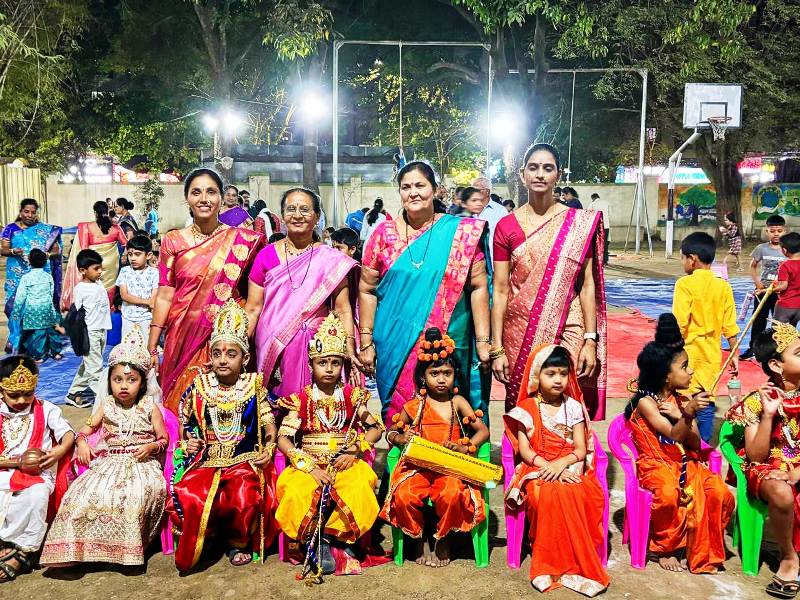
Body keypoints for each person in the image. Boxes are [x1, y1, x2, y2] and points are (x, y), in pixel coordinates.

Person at [358, 160, 492, 425]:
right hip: (394, 342)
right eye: (406, 187)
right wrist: (366, 342)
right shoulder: (382, 234)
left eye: (420, 185)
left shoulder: (461, 233)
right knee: (400, 418)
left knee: (451, 419)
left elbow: (478, 287)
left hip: (450, 341)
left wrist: (483, 341)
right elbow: (366, 289)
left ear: (435, 189)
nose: (413, 193)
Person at [492, 143, 606, 419]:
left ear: (558, 175)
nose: (540, 174)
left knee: (566, 403)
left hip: (570, 325)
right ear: (522, 174)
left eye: (548, 168)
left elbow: (587, 285)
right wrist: (497, 348)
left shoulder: (577, 223)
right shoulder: (506, 226)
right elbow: (501, 289)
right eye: (533, 168)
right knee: (524, 407)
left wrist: (590, 340)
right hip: (519, 329)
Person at [166, 299, 278, 572]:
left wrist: (269, 447)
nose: (223, 360)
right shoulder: (200, 385)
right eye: (217, 353)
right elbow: (186, 423)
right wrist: (189, 440)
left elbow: (267, 423)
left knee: (242, 496)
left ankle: (236, 543)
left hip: (243, 460)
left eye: (231, 354)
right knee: (192, 493)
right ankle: (206, 538)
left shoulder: (253, 385)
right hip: (206, 459)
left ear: (245, 359)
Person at [40, 327, 167, 567]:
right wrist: (81, 443)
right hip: (108, 463)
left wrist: (152, 447)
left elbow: (163, 439)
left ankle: (124, 553)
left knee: (134, 497)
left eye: (131, 380)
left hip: (141, 464)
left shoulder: (150, 407)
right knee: (80, 497)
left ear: (142, 383)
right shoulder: (106, 405)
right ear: (109, 381)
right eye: (118, 380)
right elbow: (84, 431)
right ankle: (79, 551)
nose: (124, 386)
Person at [275, 313, 385, 576]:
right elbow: (283, 438)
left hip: (345, 462)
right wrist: (307, 466)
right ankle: (316, 539)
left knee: (359, 486)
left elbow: (376, 428)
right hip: (310, 463)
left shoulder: (352, 396)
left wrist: (356, 449)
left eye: (335, 363)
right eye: (322, 362)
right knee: (296, 490)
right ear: (311, 364)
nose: (329, 369)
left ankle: (335, 538)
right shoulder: (300, 399)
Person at [148, 168, 263, 414]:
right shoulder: (173, 240)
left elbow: (251, 297)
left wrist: (241, 337)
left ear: (222, 198)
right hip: (181, 334)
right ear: (187, 198)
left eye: (211, 192)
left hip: (223, 336)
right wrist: (152, 343)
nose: (204, 199)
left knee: (224, 407)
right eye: (196, 192)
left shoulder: (242, 240)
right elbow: (166, 294)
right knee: (181, 405)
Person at [626, 314, 734, 573]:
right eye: (684, 367)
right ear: (666, 376)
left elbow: (694, 442)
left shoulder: (680, 400)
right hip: (657, 465)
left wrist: (684, 413)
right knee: (667, 494)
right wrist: (687, 414)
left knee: (720, 492)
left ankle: (698, 544)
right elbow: (674, 436)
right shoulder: (646, 403)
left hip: (685, 463)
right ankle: (666, 547)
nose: (691, 371)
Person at [504, 344, 609, 595]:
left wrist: (561, 466)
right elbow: (525, 451)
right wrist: (550, 467)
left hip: (569, 465)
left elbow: (581, 449)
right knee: (543, 494)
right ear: (536, 375)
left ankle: (573, 562)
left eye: (563, 373)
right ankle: (549, 561)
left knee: (581, 493)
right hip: (537, 467)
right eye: (550, 374)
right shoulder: (527, 408)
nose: (558, 380)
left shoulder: (573, 407)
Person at [382, 327, 489, 567]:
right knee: (404, 495)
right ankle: (418, 538)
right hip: (417, 468)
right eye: (434, 373)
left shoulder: (457, 403)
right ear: (423, 377)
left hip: (449, 468)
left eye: (447, 373)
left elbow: (483, 431)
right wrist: (400, 438)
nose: (441, 379)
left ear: (454, 375)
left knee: (451, 493)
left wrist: (465, 448)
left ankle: (444, 538)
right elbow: (390, 433)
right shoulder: (414, 406)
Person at [245, 187, 359, 400]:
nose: (297, 215)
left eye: (305, 209)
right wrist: (238, 346)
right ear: (283, 215)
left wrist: (349, 349)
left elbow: (343, 309)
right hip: (272, 346)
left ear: (317, 216)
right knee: (276, 410)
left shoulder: (330, 259)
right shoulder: (265, 256)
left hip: (318, 351)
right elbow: (252, 309)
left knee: (317, 409)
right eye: (291, 209)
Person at [726, 322, 800, 597]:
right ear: (777, 365)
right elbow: (756, 456)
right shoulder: (758, 401)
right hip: (767, 465)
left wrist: (796, 473)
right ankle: (789, 558)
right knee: (781, 491)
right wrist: (768, 415)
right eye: (799, 353)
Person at [0, 356, 74, 582]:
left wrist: (60, 451)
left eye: (28, 393)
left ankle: (24, 550)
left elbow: (67, 433)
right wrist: (15, 463)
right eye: (14, 395)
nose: (22, 400)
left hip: (37, 474)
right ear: (1, 390)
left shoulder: (47, 409)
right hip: (3, 470)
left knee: (37, 495)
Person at [672, 232, 739, 441]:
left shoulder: (684, 284)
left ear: (692, 259)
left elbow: (680, 323)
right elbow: (730, 325)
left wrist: (669, 350)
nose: (682, 262)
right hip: (711, 354)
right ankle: (705, 445)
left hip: (688, 353)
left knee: (685, 398)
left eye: (682, 258)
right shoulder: (723, 286)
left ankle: (686, 442)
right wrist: (734, 353)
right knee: (707, 399)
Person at [1, 199, 62, 351]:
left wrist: (46, 255)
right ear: (20, 212)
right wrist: (14, 251)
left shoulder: (46, 230)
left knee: (38, 306)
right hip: (17, 275)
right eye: (26, 212)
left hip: (40, 275)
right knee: (14, 306)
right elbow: (3, 249)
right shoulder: (10, 228)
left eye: (33, 212)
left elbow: (56, 250)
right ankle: (15, 337)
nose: (30, 215)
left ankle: (37, 342)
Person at [61, 200, 128, 311]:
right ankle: (108, 310)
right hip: (111, 266)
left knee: (92, 288)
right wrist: (124, 255)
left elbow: (84, 249)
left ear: (95, 213)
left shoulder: (86, 227)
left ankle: (92, 311)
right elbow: (126, 243)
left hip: (93, 265)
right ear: (107, 211)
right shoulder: (116, 228)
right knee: (109, 289)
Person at [66, 250, 112, 409]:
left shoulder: (98, 283)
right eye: (96, 268)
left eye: (100, 268)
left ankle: (73, 393)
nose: (100, 272)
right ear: (82, 270)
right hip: (90, 332)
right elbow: (76, 313)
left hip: (102, 329)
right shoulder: (80, 289)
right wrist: (79, 336)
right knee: (95, 368)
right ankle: (105, 401)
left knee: (89, 364)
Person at [742, 214, 787, 360]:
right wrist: (757, 282)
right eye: (772, 231)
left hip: (780, 293)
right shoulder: (761, 248)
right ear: (767, 231)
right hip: (763, 291)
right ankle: (753, 349)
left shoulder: (788, 250)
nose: (776, 234)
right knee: (758, 320)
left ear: (785, 231)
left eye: (779, 231)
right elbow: (752, 266)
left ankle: (778, 350)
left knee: (779, 323)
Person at [11, 249, 63, 362]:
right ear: (45, 262)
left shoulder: (26, 278)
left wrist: (16, 311)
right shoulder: (48, 276)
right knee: (51, 330)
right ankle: (56, 352)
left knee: (38, 333)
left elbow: (20, 297)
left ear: (29, 261)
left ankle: (40, 355)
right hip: (47, 308)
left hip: (33, 310)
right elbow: (51, 292)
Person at [116, 235, 159, 338]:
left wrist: (154, 318)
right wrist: (147, 302)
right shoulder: (125, 271)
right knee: (128, 346)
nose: (133, 258)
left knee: (146, 345)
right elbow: (124, 295)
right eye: (130, 254)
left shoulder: (154, 273)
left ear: (148, 255)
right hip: (128, 317)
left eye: (137, 254)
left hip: (147, 318)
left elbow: (154, 300)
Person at [471, 176, 505, 254]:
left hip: (491, 256)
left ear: (487, 192)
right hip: (470, 256)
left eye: (476, 190)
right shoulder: (468, 209)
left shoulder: (500, 211)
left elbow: (505, 237)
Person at [774, 232, 800, 326]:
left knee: (778, 331)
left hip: (786, 306)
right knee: (792, 331)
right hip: (799, 307)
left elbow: (783, 286)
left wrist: (767, 290)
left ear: (784, 250)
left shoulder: (785, 265)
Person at [589, 193, 610, 265]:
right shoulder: (606, 203)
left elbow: (589, 214)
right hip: (606, 226)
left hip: (597, 226)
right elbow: (609, 214)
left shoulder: (592, 204)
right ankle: (605, 260)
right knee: (605, 243)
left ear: (593, 198)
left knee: (596, 243)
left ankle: (598, 260)